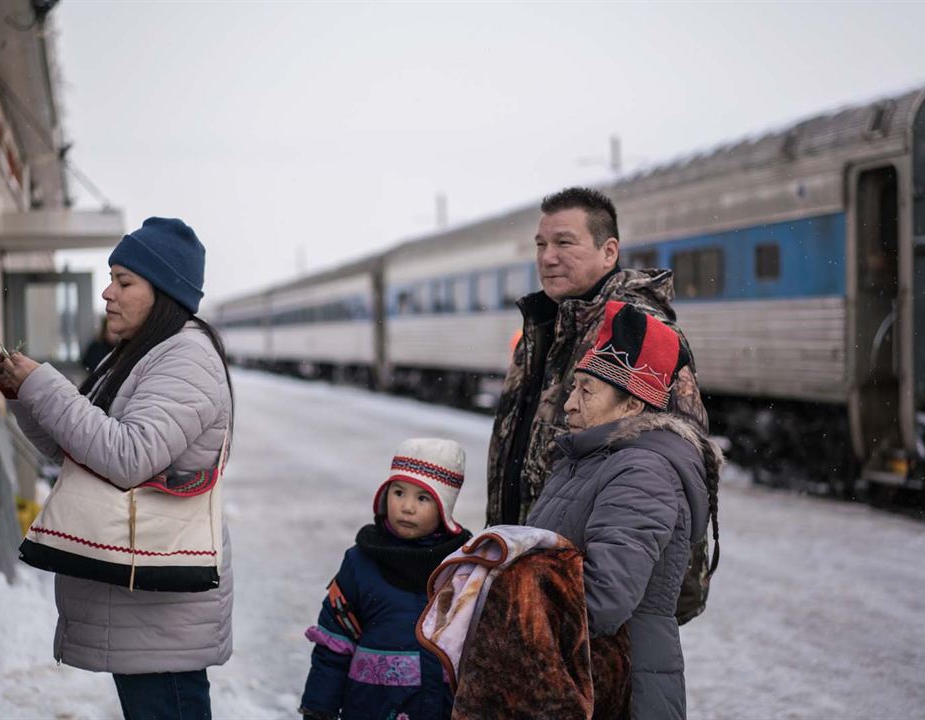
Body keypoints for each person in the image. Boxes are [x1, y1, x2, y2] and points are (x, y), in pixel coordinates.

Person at [0, 217, 233, 720]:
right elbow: (74, 453)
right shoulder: (139, 354)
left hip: (160, 601)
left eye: (124, 282)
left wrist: (46, 385)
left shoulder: (185, 357)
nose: (108, 293)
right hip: (144, 593)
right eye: (111, 278)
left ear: (163, 292)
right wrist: (25, 399)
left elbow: (127, 457)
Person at [527, 301, 720, 720]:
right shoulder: (590, 459)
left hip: (623, 689)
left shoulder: (643, 471)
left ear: (633, 406)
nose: (569, 405)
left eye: (586, 391)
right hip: (587, 680)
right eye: (573, 388)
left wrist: (513, 614)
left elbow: (603, 597)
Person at [487, 185, 709, 526]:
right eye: (541, 244)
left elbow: (672, 476)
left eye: (564, 243)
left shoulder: (638, 333)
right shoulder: (542, 328)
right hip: (531, 557)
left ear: (609, 252)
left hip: (593, 564)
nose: (547, 257)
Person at [299, 438, 474, 720]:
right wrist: (319, 709)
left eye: (423, 498)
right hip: (370, 709)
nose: (407, 507)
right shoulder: (360, 563)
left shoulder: (462, 568)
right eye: (398, 492)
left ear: (445, 506)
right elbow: (334, 646)